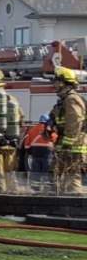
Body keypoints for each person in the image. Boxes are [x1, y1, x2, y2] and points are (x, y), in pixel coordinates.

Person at [50, 65, 86, 194]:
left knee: (72, 174)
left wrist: (68, 141)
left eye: (57, 81)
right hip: (66, 143)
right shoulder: (63, 100)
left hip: (73, 144)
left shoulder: (72, 99)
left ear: (64, 82)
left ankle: (75, 205)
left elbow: (75, 121)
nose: (54, 84)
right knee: (62, 174)